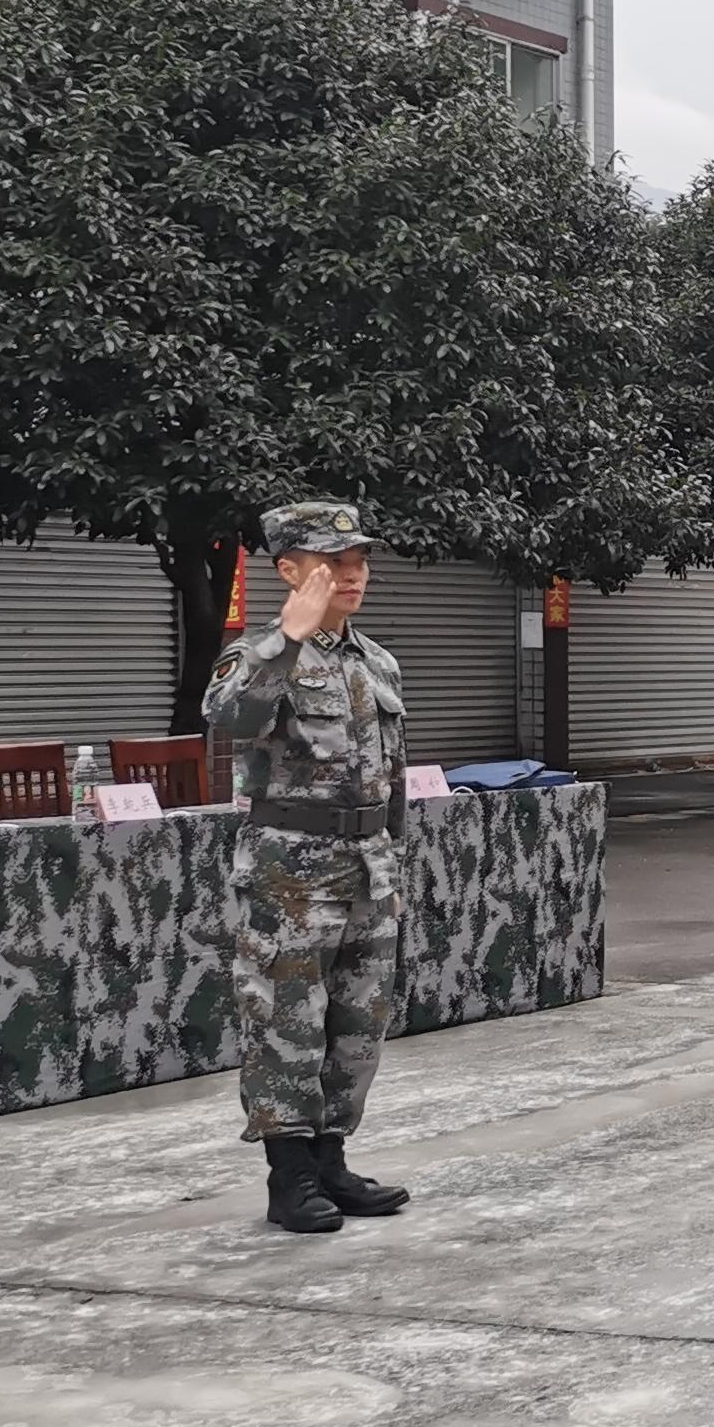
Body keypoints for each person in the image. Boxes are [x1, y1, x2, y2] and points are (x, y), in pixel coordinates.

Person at [200, 500, 417, 1235]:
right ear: (289, 570)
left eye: (358, 561)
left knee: (360, 1022)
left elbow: (396, 781)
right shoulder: (258, 656)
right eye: (333, 562)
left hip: (368, 868)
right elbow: (228, 720)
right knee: (287, 1021)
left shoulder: (376, 662)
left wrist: (393, 867)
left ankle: (331, 1159)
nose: (351, 575)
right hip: (291, 871)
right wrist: (287, 638)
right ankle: (289, 1176)